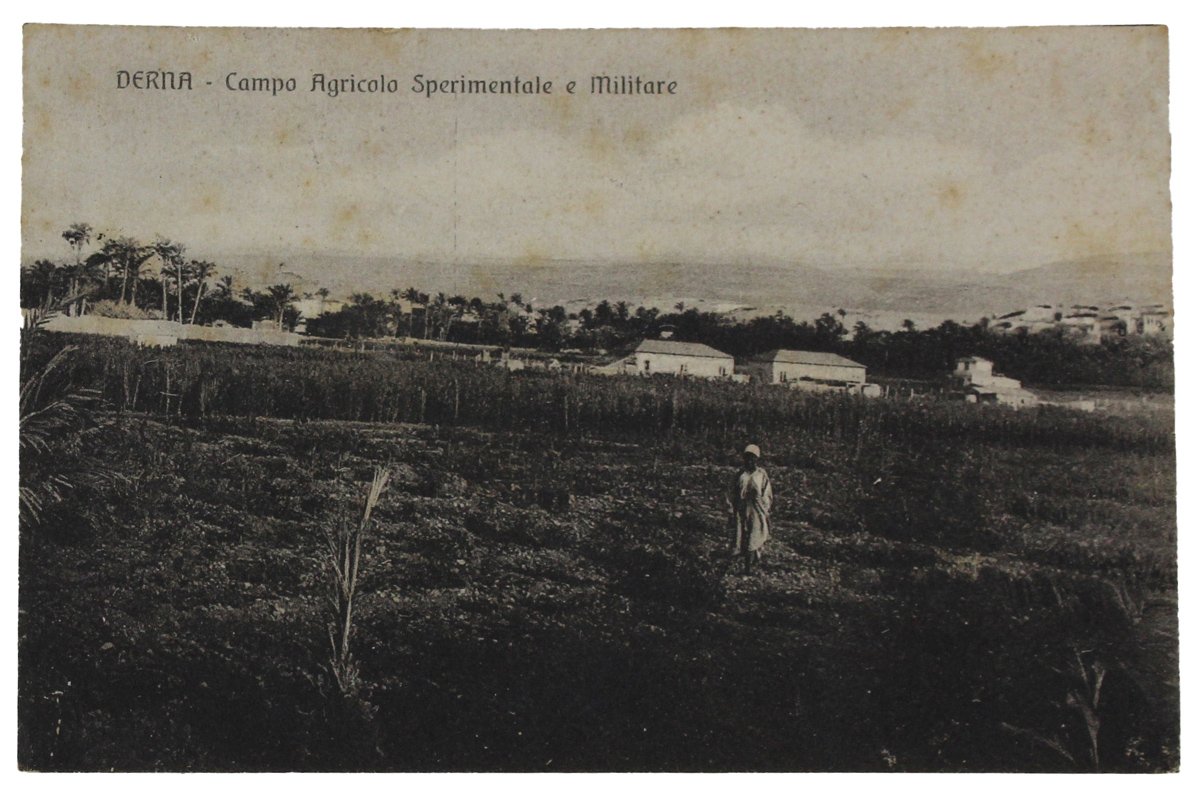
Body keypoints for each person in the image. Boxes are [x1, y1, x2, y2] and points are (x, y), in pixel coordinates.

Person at [728, 443, 773, 573]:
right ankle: (743, 563)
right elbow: (732, 491)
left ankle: (750, 566)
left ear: (756, 459)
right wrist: (732, 506)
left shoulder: (761, 474)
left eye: (752, 458)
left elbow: (767, 493)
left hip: (756, 508)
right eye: (747, 457)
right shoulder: (740, 474)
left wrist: (764, 507)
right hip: (742, 506)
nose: (749, 460)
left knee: (755, 534)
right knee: (742, 534)